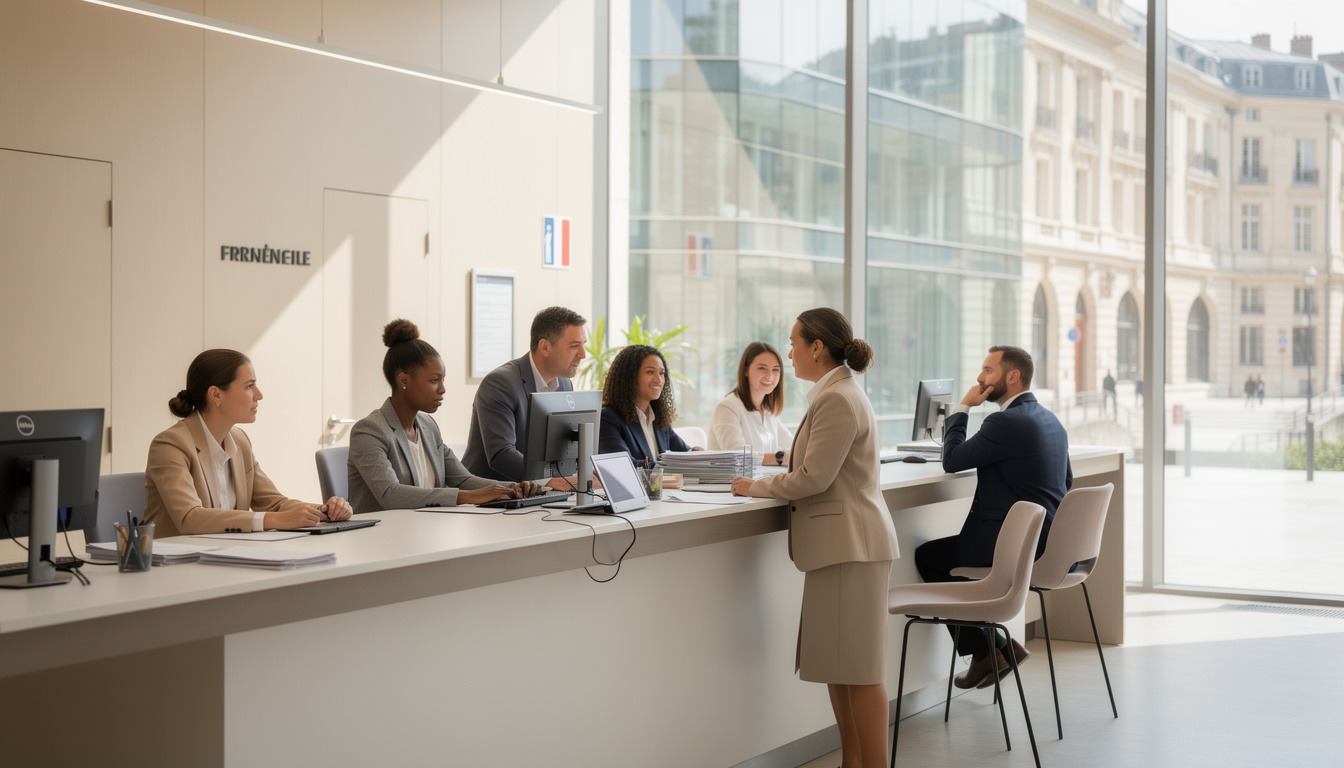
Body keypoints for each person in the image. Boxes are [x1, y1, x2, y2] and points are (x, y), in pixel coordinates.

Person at [729, 309, 898, 768]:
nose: (788, 353)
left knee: (859, 673)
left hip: (851, 546)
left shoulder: (839, 398)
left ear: (816, 347)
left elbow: (814, 478)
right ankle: (853, 760)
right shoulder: (834, 393)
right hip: (839, 547)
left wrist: (755, 486)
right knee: (838, 669)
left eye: (793, 343)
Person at [913, 345, 1072, 691]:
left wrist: (964, 406)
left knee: (928, 558)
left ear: (1012, 377)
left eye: (988, 370)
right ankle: (1000, 645)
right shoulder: (1051, 420)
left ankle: (986, 652)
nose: (979, 378)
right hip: (1048, 544)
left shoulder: (1004, 421)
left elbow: (952, 459)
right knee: (940, 557)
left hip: (1014, 548)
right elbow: (1068, 482)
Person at [145, 349, 353, 537]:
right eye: (249, 386)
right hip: (179, 565)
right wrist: (273, 520)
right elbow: (189, 518)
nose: (259, 395)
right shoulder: (170, 444)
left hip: (229, 556)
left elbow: (275, 504)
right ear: (216, 394)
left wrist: (326, 511)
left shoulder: (239, 440)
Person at [347, 320, 540, 513]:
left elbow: (462, 479)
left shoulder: (428, 426)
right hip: (384, 538)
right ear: (403, 379)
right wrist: (467, 497)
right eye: (434, 380)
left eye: (442, 379)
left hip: (427, 533)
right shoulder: (369, 431)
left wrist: (512, 488)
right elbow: (390, 494)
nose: (442, 389)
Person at [463, 306, 587, 486]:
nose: (583, 354)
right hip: (491, 497)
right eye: (574, 346)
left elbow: (562, 449)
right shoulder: (500, 383)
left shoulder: (565, 384)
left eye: (583, 345)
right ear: (545, 347)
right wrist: (550, 480)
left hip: (537, 495)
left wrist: (580, 470)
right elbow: (502, 454)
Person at [598, 344, 700, 463]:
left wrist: (696, 453)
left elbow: (683, 453)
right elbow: (624, 465)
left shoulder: (658, 419)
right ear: (630, 377)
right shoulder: (608, 418)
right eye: (650, 372)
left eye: (661, 373)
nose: (659, 380)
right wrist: (667, 467)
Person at [708, 341, 793, 465]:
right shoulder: (727, 408)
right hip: (729, 483)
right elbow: (738, 457)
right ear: (746, 371)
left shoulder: (769, 412)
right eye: (762, 368)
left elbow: (793, 446)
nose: (770, 375)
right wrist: (780, 458)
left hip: (760, 481)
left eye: (775, 370)